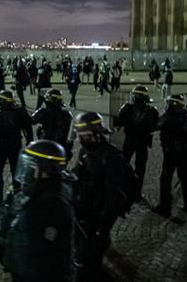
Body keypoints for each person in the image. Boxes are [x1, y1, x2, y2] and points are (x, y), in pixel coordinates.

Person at [0, 140, 74, 282]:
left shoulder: (52, 204)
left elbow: (38, 254)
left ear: (44, 170)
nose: (26, 172)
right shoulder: (36, 191)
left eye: (30, 167)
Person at [72, 112, 128, 282]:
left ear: (94, 134)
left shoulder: (111, 157)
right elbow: (77, 176)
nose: (80, 139)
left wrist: (102, 230)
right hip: (83, 212)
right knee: (82, 255)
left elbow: (114, 196)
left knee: (89, 264)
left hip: (97, 218)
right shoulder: (85, 151)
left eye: (83, 135)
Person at [0, 90, 33, 207]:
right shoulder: (19, 111)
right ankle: (16, 196)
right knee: (16, 171)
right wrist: (29, 141)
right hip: (15, 144)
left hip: (1, 145)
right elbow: (28, 127)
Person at [152, 95, 187, 217]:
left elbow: (155, 126)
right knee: (185, 179)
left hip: (171, 153)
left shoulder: (168, 116)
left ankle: (165, 207)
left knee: (165, 179)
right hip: (186, 152)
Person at [115, 85, 159, 201]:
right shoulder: (151, 111)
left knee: (124, 165)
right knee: (140, 168)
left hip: (129, 140)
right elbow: (154, 127)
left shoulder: (126, 108)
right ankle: (136, 193)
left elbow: (118, 122)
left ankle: (122, 190)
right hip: (142, 142)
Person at [31, 88, 73, 158]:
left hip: (46, 146)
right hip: (61, 147)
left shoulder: (43, 112)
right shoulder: (67, 114)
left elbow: (32, 120)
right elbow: (70, 136)